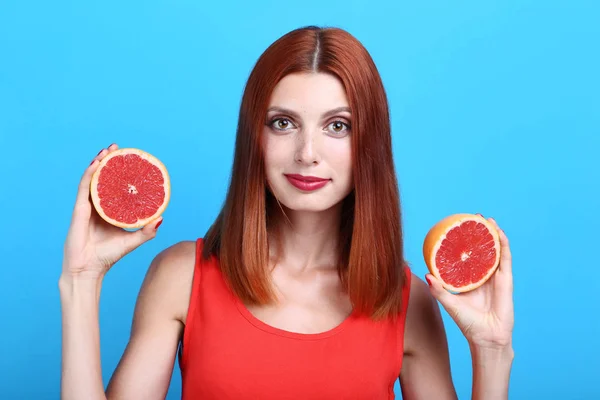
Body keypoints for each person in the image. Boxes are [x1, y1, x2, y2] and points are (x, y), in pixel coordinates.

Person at [59, 26, 514, 400]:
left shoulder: (407, 300)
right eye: (283, 123)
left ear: (369, 144)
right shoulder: (182, 276)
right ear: (253, 137)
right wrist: (81, 282)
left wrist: (492, 353)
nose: (307, 153)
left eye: (338, 126)